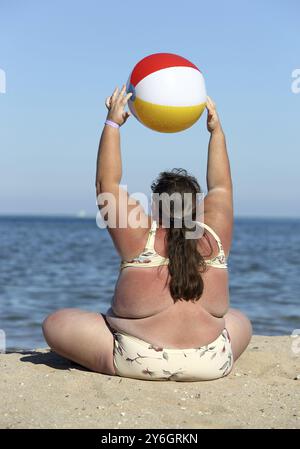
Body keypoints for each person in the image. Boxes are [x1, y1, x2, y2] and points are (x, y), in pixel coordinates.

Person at [42, 85, 252, 381]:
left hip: (139, 361)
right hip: (212, 362)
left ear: (156, 204)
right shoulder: (214, 239)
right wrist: (216, 131)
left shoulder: (140, 239)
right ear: (197, 208)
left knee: (55, 322)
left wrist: (112, 122)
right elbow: (221, 187)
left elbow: (107, 184)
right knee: (240, 320)